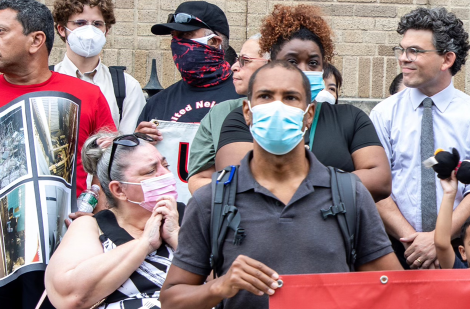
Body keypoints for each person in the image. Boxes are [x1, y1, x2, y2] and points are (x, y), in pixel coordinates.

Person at [160, 61, 401, 309]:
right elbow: (171, 300)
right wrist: (219, 287)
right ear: (247, 111)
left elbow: (393, 290)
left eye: (290, 97)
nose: (277, 107)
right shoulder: (213, 199)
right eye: (265, 96)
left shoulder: (349, 193)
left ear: (309, 114)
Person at [0, 0, 115, 309]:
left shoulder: (88, 96)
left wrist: (95, 213)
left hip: (63, 246)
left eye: (0, 32)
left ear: (36, 40)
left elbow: (109, 169)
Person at [213, 4, 391, 199]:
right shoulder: (244, 117)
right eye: (292, 62)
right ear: (272, 64)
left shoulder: (350, 118)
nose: (303, 70)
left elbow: (379, 180)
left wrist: (304, 186)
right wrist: (338, 185)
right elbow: (237, 180)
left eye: (313, 63)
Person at [369, 7, 470, 269]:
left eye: (414, 51)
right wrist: (413, 241)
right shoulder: (384, 113)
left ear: (446, 59)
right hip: (396, 248)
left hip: (457, 251)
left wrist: (437, 240)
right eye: (402, 50)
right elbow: (376, 186)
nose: (404, 59)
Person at [45, 132, 182, 308]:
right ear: (119, 190)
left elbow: (224, 283)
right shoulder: (93, 226)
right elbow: (68, 296)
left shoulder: (190, 215)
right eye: (150, 171)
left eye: (166, 165)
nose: (165, 175)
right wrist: (144, 244)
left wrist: (176, 236)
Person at [50, 0, 147, 130]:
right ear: (62, 29)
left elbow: (129, 146)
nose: (89, 30)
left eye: (97, 24)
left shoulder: (127, 87)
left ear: (106, 30)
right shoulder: (45, 80)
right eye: (80, 23)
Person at [136, 1, 240, 130]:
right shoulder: (158, 103)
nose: (177, 43)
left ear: (213, 41)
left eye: (186, 35)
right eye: (174, 36)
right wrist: (140, 142)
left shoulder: (245, 97)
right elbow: (136, 148)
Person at [185, 35, 268, 188]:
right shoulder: (219, 114)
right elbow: (198, 181)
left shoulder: (309, 113)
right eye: (237, 59)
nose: (234, 66)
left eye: (245, 61)